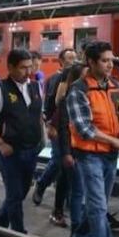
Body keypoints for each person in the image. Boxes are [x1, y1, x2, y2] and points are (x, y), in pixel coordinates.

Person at [66, 41, 119, 237]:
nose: (110, 65)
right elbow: (84, 129)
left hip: (110, 155)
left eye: (111, 60)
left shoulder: (114, 85)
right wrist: (112, 140)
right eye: (105, 61)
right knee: (98, 205)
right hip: (89, 155)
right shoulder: (78, 90)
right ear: (91, 62)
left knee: (99, 202)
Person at [0, 49, 43, 233]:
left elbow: (38, 115)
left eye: (30, 67)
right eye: (23, 68)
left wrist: (42, 138)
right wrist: (0, 143)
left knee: (22, 192)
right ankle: (18, 233)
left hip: (31, 150)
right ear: (10, 67)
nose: (28, 72)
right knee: (14, 195)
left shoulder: (35, 87)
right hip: (10, 152)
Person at [32, 47, 77, 206]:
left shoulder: (78, 78)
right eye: (69, 58)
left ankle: (68, 198)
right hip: (58, 127)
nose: (73, 61)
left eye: (74, 57)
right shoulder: (54, 79)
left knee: (71, 164)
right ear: (61, 61)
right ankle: (42, 184)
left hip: (74, 129)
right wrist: (50, 125)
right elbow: (51, 105)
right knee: (58, 160)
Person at [53, 63, 86, 230]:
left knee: (72, 184)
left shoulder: (89, 95)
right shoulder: (68, 97)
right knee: (75, 188)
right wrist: (66, 152)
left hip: (84, 149)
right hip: (71, 148)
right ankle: (75, 227)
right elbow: (64, 127)